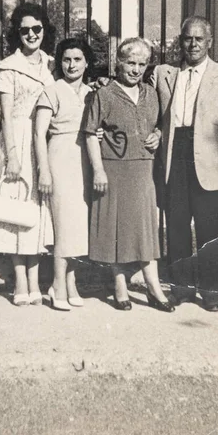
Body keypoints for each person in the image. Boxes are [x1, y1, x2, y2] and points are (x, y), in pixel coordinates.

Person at [154, 16, 218, 311]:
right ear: (179, 41)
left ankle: (210, 292)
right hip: (174, 156)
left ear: (209, 42)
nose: (192, 44)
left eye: (198, 39)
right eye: (186, 38)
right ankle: (181, 289)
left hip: (210, 159)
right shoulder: (164, 73)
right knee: (177, 226)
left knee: (211, 229)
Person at [83, 38, 174, 312]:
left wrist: (158, 134)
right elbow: (89, 133)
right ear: (118, 63)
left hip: (143, 168)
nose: (135, 69)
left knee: (145, 228)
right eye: (130, 63)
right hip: (113, 168)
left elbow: (159, 124)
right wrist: (98, 169)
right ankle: (120, 284)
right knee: (116, 228)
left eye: (142, 64)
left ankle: (153, 286)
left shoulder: (151, 92)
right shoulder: (104, 94)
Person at [0, 3, 55, 306]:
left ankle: (35, 279)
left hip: (44, 143)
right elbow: (5, 116)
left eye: (37, 29)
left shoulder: (52, 65)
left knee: (38, 213)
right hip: (16, 141)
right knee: (16, 213)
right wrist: (12, 156)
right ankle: (19, 281)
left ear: (44, 30)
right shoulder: (8, 66)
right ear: (17, 33)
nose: (31, 34)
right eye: (25, 29)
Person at [35, 38, 94, 311]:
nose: (71, 65)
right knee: (63, 224)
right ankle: (57, 285)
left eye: (77, 59)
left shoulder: (92, 92)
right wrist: (44, 170)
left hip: (84, 160)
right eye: (66, 59)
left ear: (86, 62)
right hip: (60, 157)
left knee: (77, 226)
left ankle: (71, 283)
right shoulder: (52, 90)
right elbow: (38, 133)